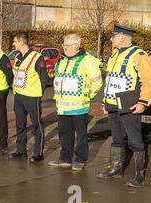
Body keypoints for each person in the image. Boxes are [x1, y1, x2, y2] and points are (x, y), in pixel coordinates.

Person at [97, 24, 151, 188]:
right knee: (117, 139)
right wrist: (105, 101)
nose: (111, 39)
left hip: (130, 105)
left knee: (135, 140)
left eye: (113, 36)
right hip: (113, 105)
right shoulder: (114, 55)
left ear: (122, 37)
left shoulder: (139, 55)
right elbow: (111, 80)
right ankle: (116, 169)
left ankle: (139, 175)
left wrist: (142, 103)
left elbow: (147, 81)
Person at [48, 34, 103, 171]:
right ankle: (65, 158)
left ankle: (80, 159)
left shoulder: (88, 61)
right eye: (64, 45)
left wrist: (87, 96)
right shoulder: (62, 60)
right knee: (64, 134)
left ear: (77, 46)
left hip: (80, 106)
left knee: (81, 135)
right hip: (62, 106)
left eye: (68, 45)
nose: (65, 48)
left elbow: (97, 83)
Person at [10, 33, 49, 163]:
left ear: (21, 42)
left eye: (15, 41)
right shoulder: (17, 57)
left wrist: (38, 94)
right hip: (19, 96)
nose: (13, 44)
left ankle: (38, 153)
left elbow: (44, 78)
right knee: (20, 124)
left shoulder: (37, 58)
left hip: (32, 97)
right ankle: (21, 150)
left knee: (36, 125)